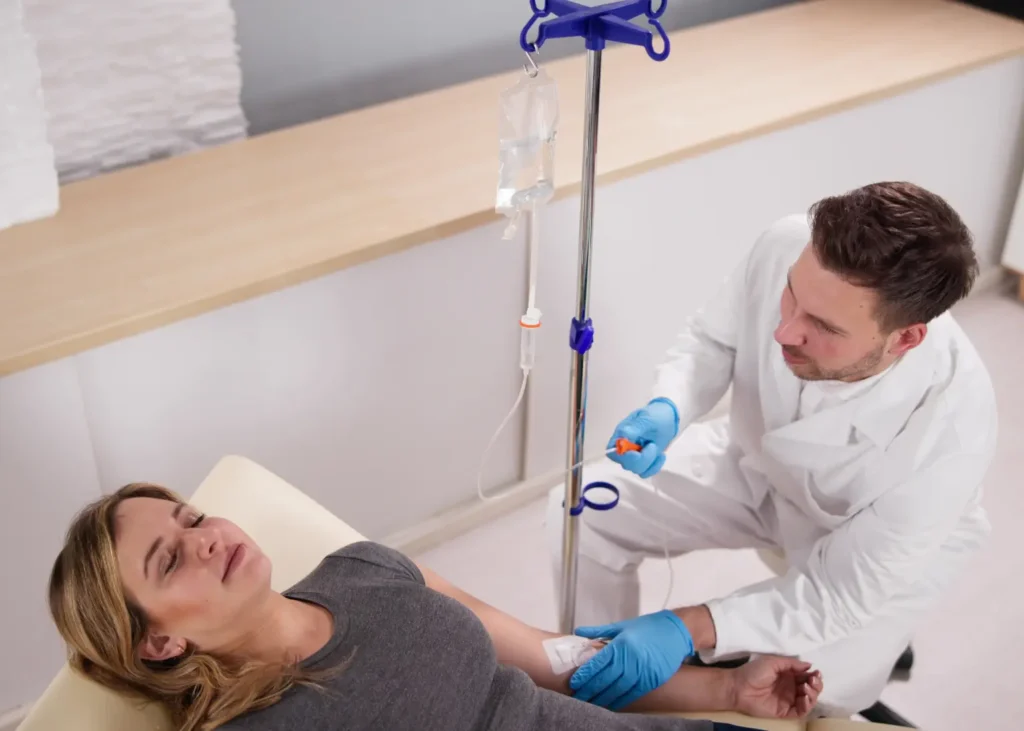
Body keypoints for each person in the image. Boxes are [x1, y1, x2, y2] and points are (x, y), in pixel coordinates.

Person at [545, 181, 997, 716]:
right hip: (757, 462)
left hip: (864, 545)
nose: (784, 331)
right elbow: (716, 338)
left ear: (905, 339)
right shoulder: (790, 244)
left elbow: (837, 596)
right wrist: (670, 406)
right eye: (791, 297)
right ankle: (598, 684)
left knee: (799, 690)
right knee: (581, 510)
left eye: (823, 327)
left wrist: (685, 627)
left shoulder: (950, 433)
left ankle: (880, 649)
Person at [48, 483, 823, 731]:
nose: (206, 538)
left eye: (190, 518)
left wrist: (725, 687)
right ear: (157, 643)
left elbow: (556, 660)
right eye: (170, 557)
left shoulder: (367, 569)